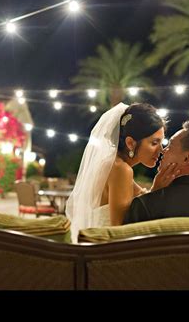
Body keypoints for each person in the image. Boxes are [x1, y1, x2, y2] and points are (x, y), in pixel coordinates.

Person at [65, 102, 179, 242]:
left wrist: (156, 188)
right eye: (154, 143)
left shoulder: (113, 164)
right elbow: (120, 227)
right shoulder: (121, 170)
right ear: (130, 143)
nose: (161, 150)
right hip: (107, 250)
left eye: (161, 143)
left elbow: (141, 199)